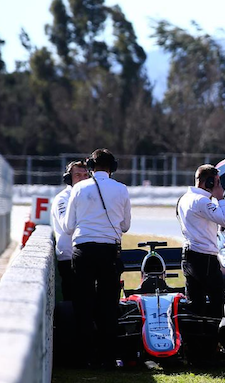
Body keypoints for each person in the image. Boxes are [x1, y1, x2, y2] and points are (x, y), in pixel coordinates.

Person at [62, 148, 131, 368]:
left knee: (83, 303)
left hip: (83, 250)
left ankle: (84, 357)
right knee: (108, 304)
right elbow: (126, 226)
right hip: (109, 251)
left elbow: (68, 226)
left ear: (90, 167)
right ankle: (107, 357)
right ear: (113, 168)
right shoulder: (122, 189)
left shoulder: (80, 188)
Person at [177, 164, 225, 318]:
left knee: (195, 303)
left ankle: (194, 340)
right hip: (205, 257)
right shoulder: (202, 201)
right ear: (209, 182)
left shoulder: (184, 198)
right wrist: (220, 198)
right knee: (217, 302)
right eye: (217, 182)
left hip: (188, 254)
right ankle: (215, 338)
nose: (218, 186)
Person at [50, 160, 89, 301]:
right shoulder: (62, 199)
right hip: (69, 258)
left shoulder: (90, 197)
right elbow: (67, 226)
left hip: (87, 257)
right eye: (78, 175)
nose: (83, 178)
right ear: (68, 178)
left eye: (86, 175)